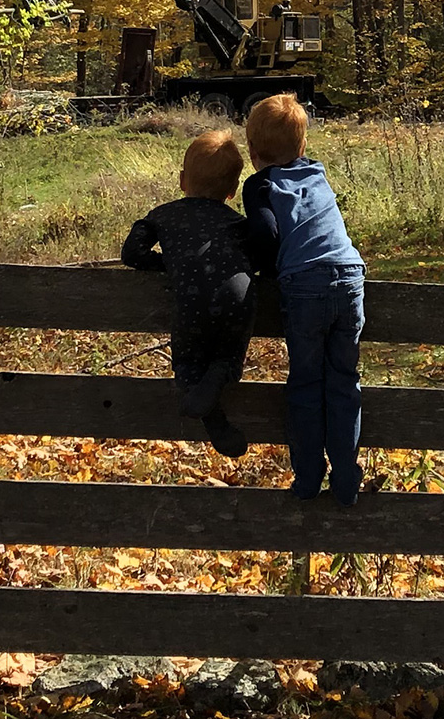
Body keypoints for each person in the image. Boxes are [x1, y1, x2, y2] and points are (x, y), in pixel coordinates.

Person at [242, 94, 366, 505]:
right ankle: (347, 478)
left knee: (307, 384)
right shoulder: (318, 173)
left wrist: (264, 267)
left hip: (306, 286)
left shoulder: (261, 184)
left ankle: (309, 478)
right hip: (350, 277)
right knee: (344, 382)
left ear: (253, 151)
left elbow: (265, 235)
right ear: (303, 146)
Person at [121, 129, 254, 458]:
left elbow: (131, 254)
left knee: (188, 363)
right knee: (227, 355)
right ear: (233, 190)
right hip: (237, 295)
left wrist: (169, 264)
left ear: (182, 180)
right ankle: (220, 375)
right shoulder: (237, 222)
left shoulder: (165, 215)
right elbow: (261, 256)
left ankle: (214, 420)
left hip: (191, 299)